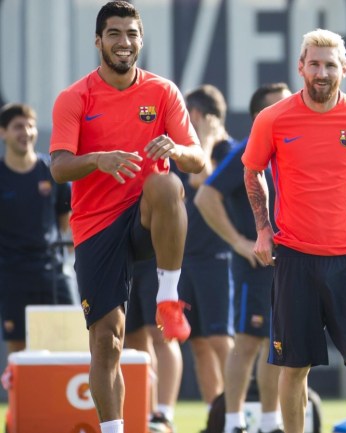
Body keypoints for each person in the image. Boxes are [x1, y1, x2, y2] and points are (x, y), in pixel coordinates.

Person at [49, 2, 204, 433]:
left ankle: (169, 299)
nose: (124, 42)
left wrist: (174, 149)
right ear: (98, 41)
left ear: (141, 39)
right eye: (114, 33)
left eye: (132, 33)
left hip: (144, 216)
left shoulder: (162, 92)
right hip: (96, 225)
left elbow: (197, 159)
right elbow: (59, 167)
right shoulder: (75, 97)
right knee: (106, 340)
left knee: (168, 183)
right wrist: (98, 159)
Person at [242, 29, 346, 433]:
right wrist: (262, 229)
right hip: (295, 258)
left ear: (344, 68)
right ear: (300, 67)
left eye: (330, 64)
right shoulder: (273, 118)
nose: (321, 72)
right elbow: (252, 170)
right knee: (294, 365)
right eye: (314, 63)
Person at [195, 83, 292, 433]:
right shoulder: (246, 152)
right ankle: (233, 423)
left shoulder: (293, 149)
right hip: (255, 267)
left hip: (289, 264)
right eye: (279, 107)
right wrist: (238, 242)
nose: (290, 110)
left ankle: (269, 422)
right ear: (258, 117)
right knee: (247, 343)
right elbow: (205, 196)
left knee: (277, 343)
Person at [0, 103, 74, 353]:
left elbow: (64, 220)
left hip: (53, 273)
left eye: (30, 126)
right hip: (12, 275)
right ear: (3, 132)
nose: (26, 132)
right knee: (19, 348)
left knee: (67, 342)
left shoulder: (51, 171)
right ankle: (21, 395)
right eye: (18, 126)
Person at [180, 84, 235, 409]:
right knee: (198, 342)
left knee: (219, 339)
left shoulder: (227, 150)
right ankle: (215, 416)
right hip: (189, 259)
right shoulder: (189, 153)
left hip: (218, 258)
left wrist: (209, 140)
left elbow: (205, 182)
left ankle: (236, 413)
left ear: (197, 115)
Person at [125, 257, 183, 433]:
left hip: (156, 256)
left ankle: (164, 414)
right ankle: (148, 414)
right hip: (123, 256)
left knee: (161, 334)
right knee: (133, 336)